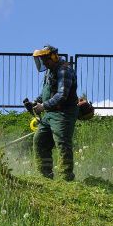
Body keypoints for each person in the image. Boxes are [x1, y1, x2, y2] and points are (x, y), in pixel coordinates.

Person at [31, 45, 79, 181]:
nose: (44, 63)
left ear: (53, 57)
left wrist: (43, 106)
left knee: (62, 143)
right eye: (41, 60)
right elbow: (46, 92)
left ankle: (66, 178)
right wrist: (36, 101)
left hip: (64, 113)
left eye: (45, 60)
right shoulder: (49, 71)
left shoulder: (64, 70)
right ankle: (45, 176)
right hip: (50, 114)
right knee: (40, 140)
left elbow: (62, 95)